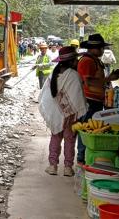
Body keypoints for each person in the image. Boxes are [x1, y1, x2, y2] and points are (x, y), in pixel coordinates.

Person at [39, 45, 87, 177]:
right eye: (76, 60)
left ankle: (52, 166)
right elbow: (78, 97)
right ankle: (67, 168)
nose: (77, 62)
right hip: (70, 115)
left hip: (55, 113)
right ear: (71, 61)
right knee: (70, 140)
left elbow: (46, 96)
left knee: (55, 137)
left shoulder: (53, 73)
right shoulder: (74, 75)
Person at [76, 33, 119, 163]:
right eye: (101, 48)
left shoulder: (94, 60)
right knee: (86, 129)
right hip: (89, 100)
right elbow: (88, 82)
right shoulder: (87, 61)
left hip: (96, 99)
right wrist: (109, 78)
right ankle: (81, 157)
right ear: (94, 48)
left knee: (91, 128)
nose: (103, 51)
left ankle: (84, 156)